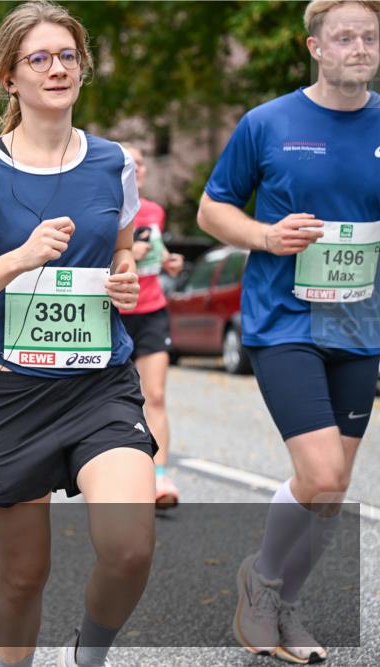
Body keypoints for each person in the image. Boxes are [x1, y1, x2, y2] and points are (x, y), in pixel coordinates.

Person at [0, 3, 156, 666]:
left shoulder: (113, 163)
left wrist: (124, 273)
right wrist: (19, 258)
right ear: (9, 79)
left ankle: (88, 653)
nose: (58, 68)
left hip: (99, 385)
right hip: (11, 394)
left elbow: (120, 246)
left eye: (68, 56)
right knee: (24, 577)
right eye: (40, 58)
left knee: (130, 548)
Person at [197, 1, 379, 661]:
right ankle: (264, 580)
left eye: (370, 36)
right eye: (345, 37)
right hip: (284, 322)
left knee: (332, 495)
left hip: (360, 325)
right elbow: (211, 209)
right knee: (322, 473)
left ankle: (288, 608)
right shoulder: (267, 123)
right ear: (315, 47)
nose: (360, 47)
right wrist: (267, 236)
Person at [118, 145, 185, 509]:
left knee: (155, 395)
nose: (138, 169)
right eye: (130, 164)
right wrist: (127, 254)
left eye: (142, 163)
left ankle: (158, 478)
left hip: (152, 310)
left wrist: (168, 262)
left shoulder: (155, 211)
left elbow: (154, 256)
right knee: (111, 400)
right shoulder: (104, 208)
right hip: (113, 313)